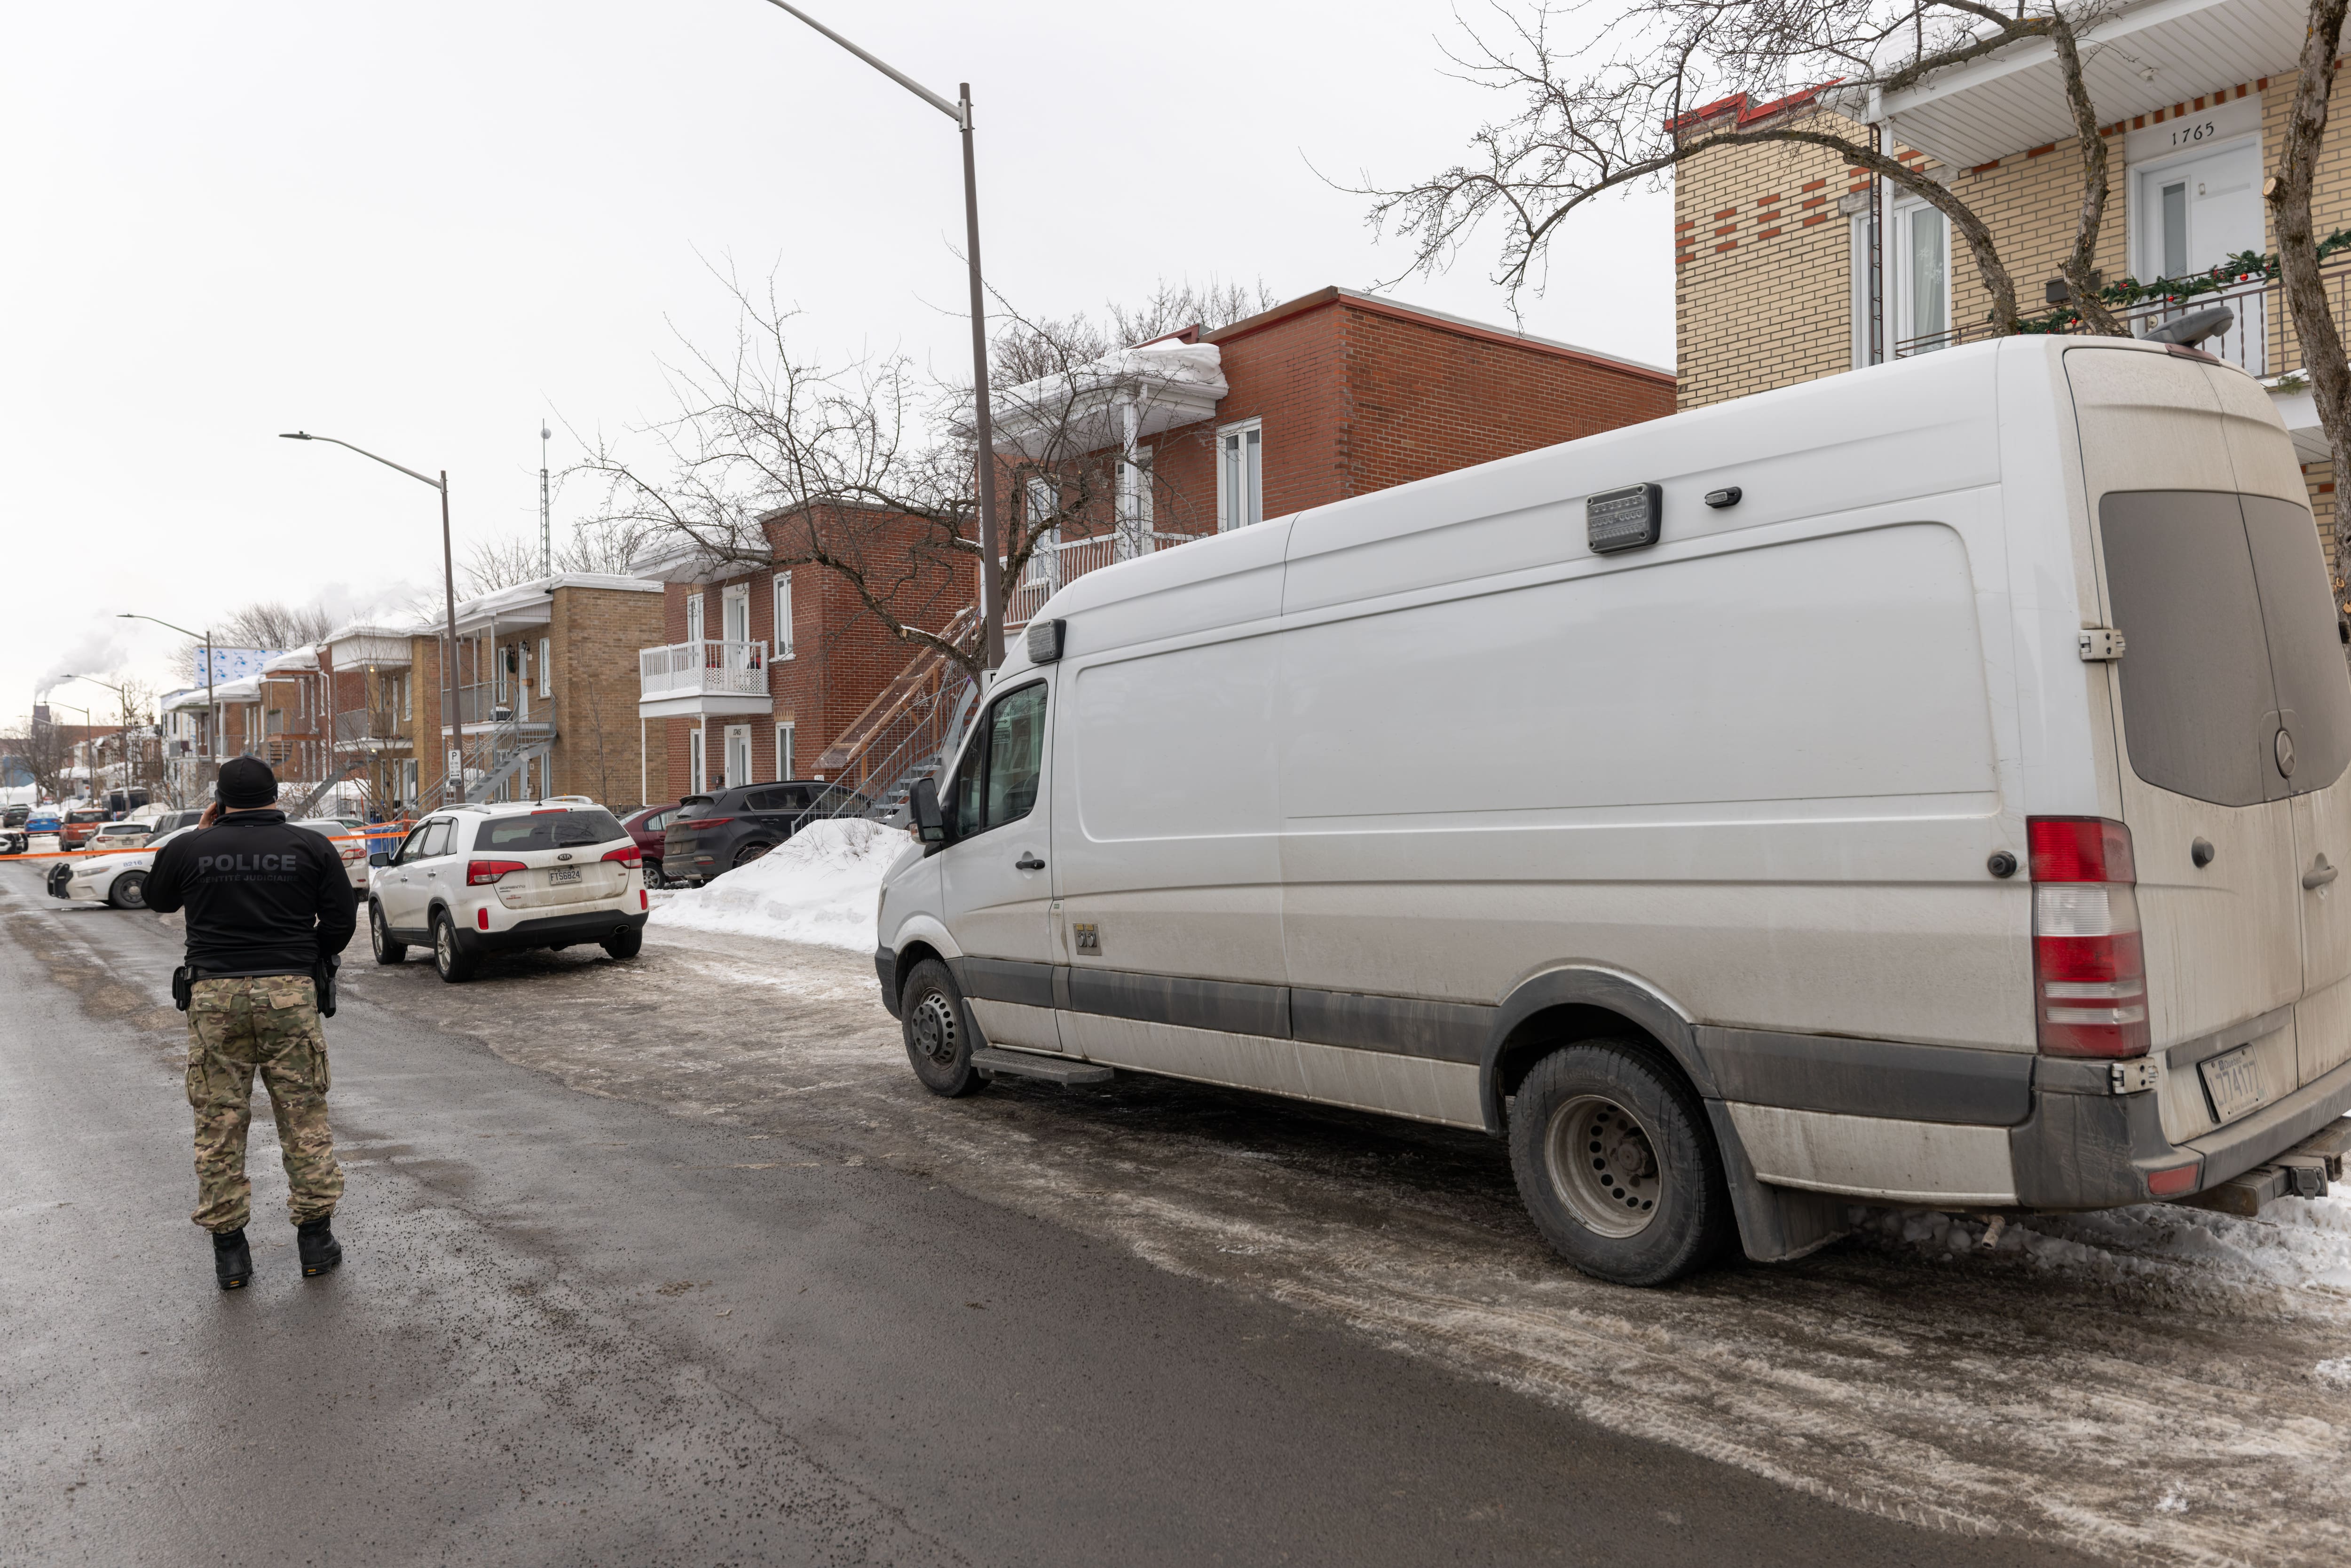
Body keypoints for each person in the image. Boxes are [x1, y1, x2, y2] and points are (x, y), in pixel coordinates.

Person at [144, 757, 359, 1291]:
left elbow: (157, 899)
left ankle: (231, 1255)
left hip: (214, 993)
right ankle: (315, 1240)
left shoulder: (190, 847)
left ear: (218, 799)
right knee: (302, 1113)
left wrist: (199, 834)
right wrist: (303, 955)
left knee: (219, 1121)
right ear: (275, 794)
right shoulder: (310, 846)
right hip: (289, 991)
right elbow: (340, 921)